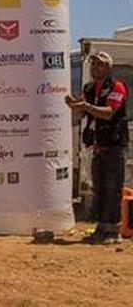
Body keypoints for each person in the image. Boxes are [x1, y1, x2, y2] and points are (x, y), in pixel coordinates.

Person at [66, 51, 128, 244]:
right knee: (99, 188)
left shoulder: (116, 86)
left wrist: (85, 106)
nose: (95, 68)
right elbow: (83, 114)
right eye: (93, 64)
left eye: (99, 64)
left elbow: (109, 113)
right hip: (97, 145)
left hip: (114, 144)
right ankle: (101, 227)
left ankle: (113, 230)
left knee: (113, 188)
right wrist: (74, 105)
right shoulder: (89, 88)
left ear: (108, 67)